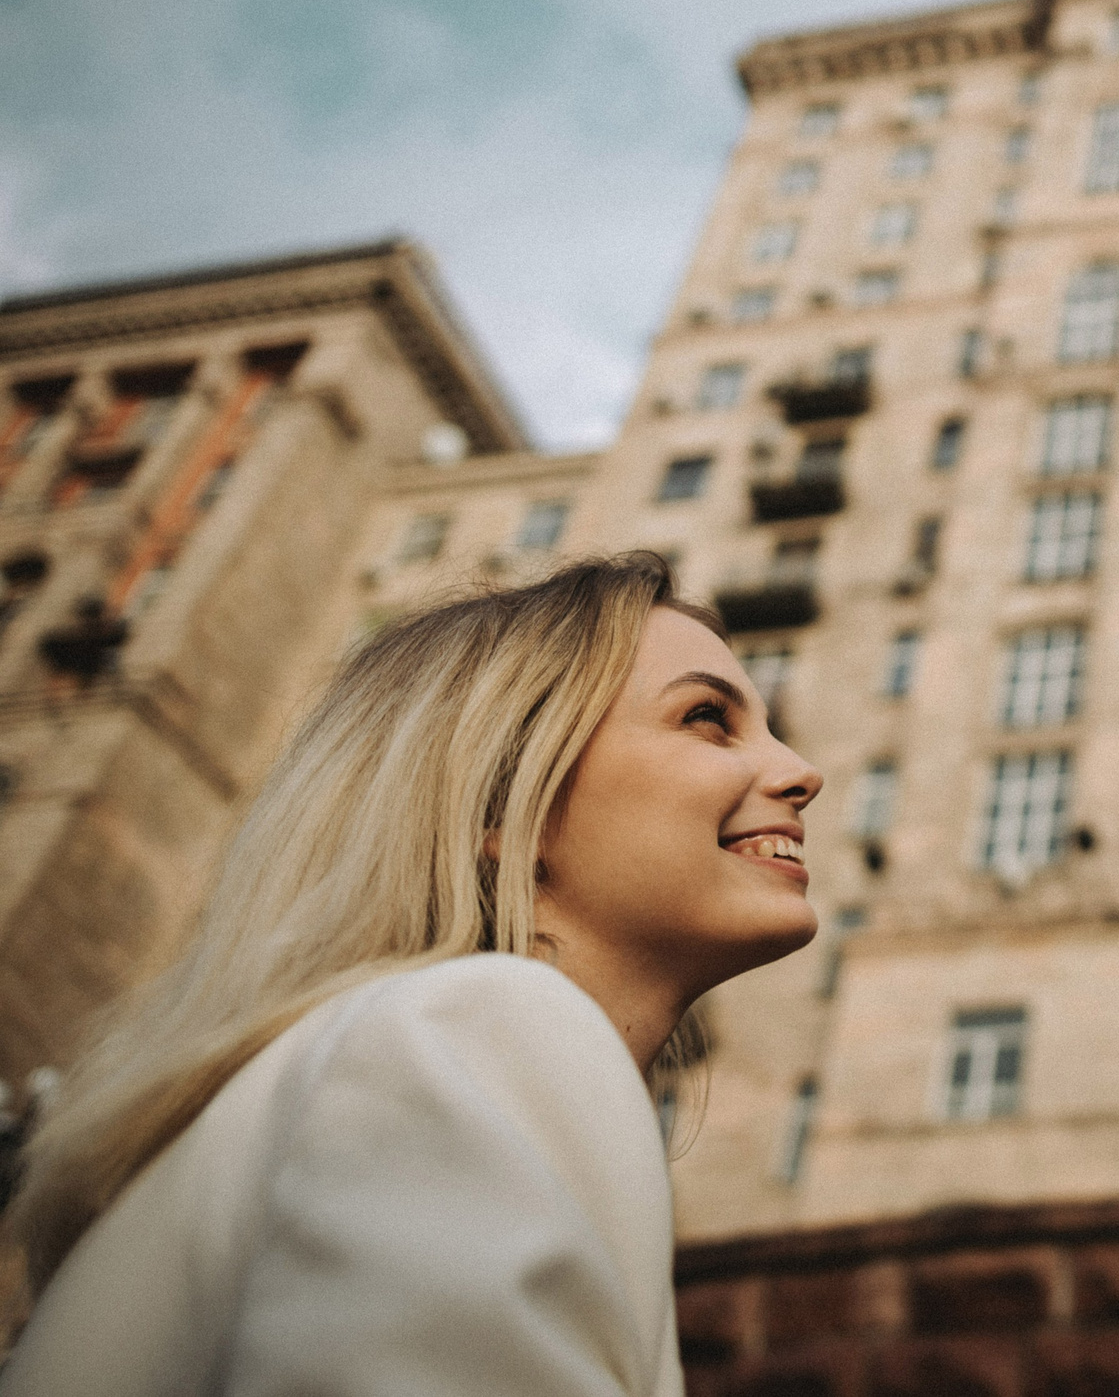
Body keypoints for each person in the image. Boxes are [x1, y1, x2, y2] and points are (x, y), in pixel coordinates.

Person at [0, 553, 820, 1394]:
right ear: (506, 799)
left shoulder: (352, 1066)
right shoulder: (489, 1022)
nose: (801, 771)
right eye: (708, 718)